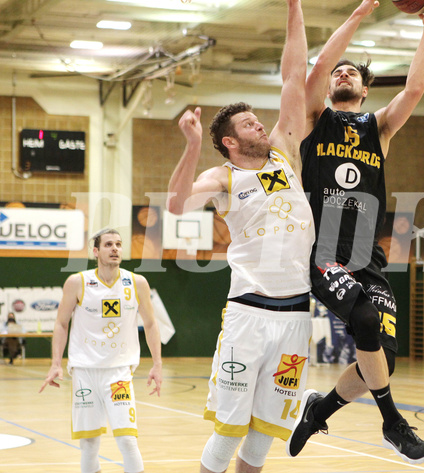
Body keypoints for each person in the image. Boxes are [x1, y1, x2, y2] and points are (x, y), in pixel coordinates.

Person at [286, 0, 424, 465]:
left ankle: (321, 409)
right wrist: (358, 14)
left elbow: (415, 89)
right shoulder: (318, 120)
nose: (342, 74)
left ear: (366, 87)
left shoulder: (380, 128)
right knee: (366, 324)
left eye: (351, 73)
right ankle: (393, 422)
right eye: (340, 72)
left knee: (383, 360)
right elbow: (316, 71)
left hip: (366, 254)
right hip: (324, 251)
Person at [166, 1, 313, 471]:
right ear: (230, 141)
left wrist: (295, 6)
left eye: (256, 120)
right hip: (249, 312)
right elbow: (175, 204)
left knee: (264, 433)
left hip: (295, 315)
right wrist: (191, 147)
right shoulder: (224, 177)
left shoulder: (285, 153)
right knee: (229, 428)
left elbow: (294, 74)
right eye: (248, 123)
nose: (258, 124)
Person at [39, 229, 163, 473]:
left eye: (118, 244)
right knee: (89, 443)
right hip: (85, 372)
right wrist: (56, 363)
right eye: (108, 244)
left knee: (127, 440)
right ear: (96, 251)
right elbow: (61, 323)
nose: (115, 248)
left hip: (118, 373)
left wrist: (157, 364)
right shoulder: (77, 282)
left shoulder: (137, 283)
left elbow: (150, 323)